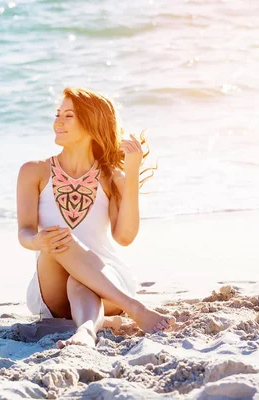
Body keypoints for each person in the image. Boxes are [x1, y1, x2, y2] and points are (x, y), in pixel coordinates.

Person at [16, 87, 175, 348]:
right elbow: (24, 232)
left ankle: (86, 331)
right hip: (52, 285)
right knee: (60, 240)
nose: (58, 121)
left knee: (80, 279)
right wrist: (39, 242)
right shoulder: (33, 172)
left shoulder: (112, 177)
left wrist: (132, 171)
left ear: (92, 124)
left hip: (108, 284)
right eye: (58, 114)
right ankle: (134, 309)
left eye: (68, 116)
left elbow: (124, 237)